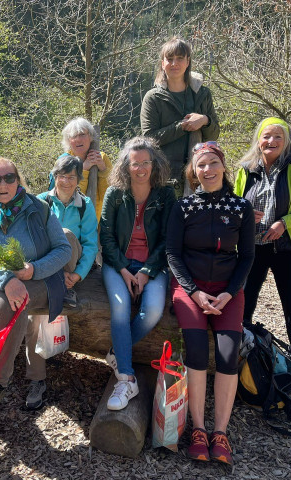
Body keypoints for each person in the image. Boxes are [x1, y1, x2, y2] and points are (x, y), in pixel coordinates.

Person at [0, 157, 71, 438]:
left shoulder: (39, 209)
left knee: (8, 305)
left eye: (9, 177)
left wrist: (34, 269)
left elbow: (62, 249)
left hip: (38, 281)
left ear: (18, 179)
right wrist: (7, 279)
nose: (3, 184)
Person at [166, 142, 255, 464]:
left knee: (229, 355)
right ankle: (199, 429)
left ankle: (220, 431)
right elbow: (173, 254)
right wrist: (194, 292)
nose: (208, 169)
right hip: (190, 289)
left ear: (223, 167)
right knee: (198, 351)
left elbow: (247, 256)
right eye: (201, 165)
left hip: (228, 291)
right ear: (194, 171)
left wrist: (230, 293)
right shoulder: (184, 207)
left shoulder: (241, 207)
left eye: (213, 163)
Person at [234, 117, 291, 389]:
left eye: (277, 137)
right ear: (258, 140)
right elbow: (235, 203)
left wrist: (285, 223)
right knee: (243, 301)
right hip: (253, 247)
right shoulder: (245, 169)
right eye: (266, 136)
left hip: (288, 249)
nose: (271, 142)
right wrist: (245, 213)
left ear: (286, 141)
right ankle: (243, 355)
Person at [99, 137, 175, 411]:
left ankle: (118, 351)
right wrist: (122, 268)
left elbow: (168, 239)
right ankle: (126, 378)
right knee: (120, 310)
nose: (141, 168)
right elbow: (106, 238)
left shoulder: (166, 195)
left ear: (154, 163)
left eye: (145, 162)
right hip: (117, 264)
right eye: (135, 163)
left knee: (153, 311)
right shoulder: (115, 193)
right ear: (125, 166)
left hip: (153, 267)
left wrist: (146, 272)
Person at [24, 154, 98, 409]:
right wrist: (47, 270)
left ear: (78, 180)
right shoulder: (40, 202)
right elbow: (32, 241)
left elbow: (89, 244)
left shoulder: (85, 205)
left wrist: (77, 275)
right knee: (35, 318)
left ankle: (67, 287)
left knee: (66, 235)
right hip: (46, 268)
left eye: (71, 177)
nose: (66, 181)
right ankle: (37, 380)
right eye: (61, 176)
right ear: (54, 176)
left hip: (71, 267)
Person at [141, 37, 220, 196]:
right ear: (162, 63)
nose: (174, 63)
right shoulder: (153, 98)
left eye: (179, 58)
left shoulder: (202, 94)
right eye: (169, 59)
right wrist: (182, 126)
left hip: (201, 176)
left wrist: (205, 120)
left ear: (188, 61)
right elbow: (149, 139)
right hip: (164, 179)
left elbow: (214, 135)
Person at [53, 117, 112, 221]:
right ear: (68, 141)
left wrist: (103, 169)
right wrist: (84, 169)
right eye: (74, 136)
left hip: (100, 222)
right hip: (72, 221)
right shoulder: (63, 161)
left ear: (90, 137)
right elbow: (68, 196)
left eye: (82, 135)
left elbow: (109, 195)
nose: (78, 140)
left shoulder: (101, 157)